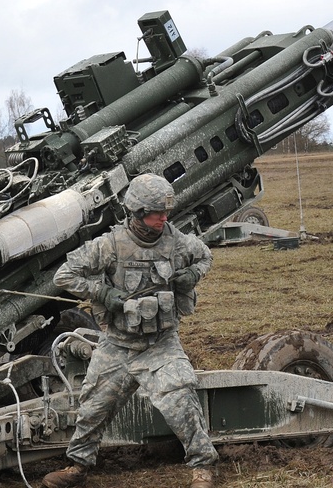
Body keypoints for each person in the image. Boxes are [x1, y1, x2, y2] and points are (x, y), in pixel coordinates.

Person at [42, 173, 218, 488]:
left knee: (182, 399)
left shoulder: (177, 241)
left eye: (166, 212)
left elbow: (205, 256)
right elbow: (64, 276)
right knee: (92, 407)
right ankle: (77, 468)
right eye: (157, 213)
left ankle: (202, 469)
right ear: (137, 212)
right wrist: (102, 292)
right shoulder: (110, 245)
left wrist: (192, 274)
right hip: (117, 344)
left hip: (160, 344)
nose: (164, 218)